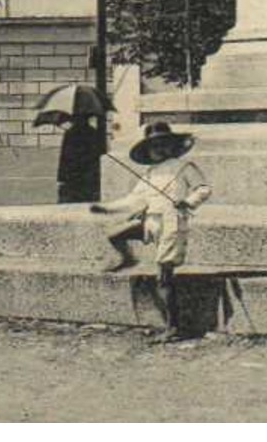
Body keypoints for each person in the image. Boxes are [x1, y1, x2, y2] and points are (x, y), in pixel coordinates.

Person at [90, 122, 213, 344]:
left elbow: (203, 189)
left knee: (164, 277)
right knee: (115, 233)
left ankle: (173, 326)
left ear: (172, 146)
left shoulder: (184, 167)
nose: (159, 149)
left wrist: (187, 202)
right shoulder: (149, 174)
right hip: (151, 221)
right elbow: (133, 199)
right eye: (154, 145)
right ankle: (127, 257)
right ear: (147, 149)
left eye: (163, 144)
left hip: (172, 223)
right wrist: (107, 208)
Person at [57, 113, 103, 204]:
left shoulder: (70, 133)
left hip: (72, 176)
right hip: (88, 177)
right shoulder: (93, 132)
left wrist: (61, 178)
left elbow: (64, 157)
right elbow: (97, 155)